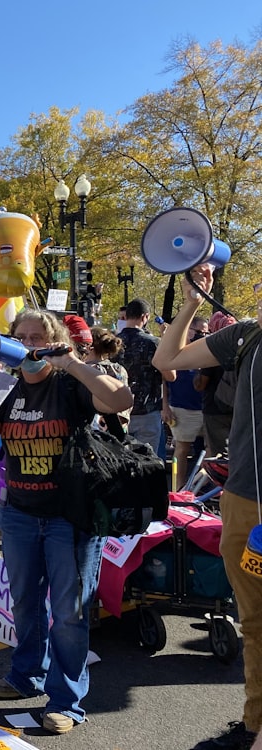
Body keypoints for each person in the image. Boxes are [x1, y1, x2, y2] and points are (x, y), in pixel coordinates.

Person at [0, 309, 132, 735]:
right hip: (20, 514)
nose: (28, 344)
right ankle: (26, 676)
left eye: (37, 336)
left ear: (54, 340)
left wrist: (72, 363)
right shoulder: (8, 386)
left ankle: (66, 701)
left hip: (69, 517)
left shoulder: (70, 384)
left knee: (69, 613)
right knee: (24, 602)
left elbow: (119, 400)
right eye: (20, 336)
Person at [152, 265, 261, 749]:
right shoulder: (246, 337)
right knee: (254, 621)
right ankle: (255, 723)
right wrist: (194, 300)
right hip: (244, 499)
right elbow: (166, 358)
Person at [113, 299, 175, 456]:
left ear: (126, 316)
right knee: (147, 462)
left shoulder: (113, 343)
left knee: (120, 460)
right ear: (145, 317)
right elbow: (170, 375)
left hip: (117, 411)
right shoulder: (153, 343)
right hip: (147, 411)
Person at [162, 317, 209, 486]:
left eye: (206, 332)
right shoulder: (175, 350)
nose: (203, 335)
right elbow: (164, 381)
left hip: (206, 408)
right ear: (188, 330)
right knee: (181, 450)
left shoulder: (206, 350)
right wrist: (165, 406)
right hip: (182, 408)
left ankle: (197, 486)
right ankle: (177, 487)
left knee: (211, 452)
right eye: (199, 332)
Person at [198, 311, 238, 456]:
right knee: (239, 452)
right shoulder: (242, 347)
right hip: (239, 408)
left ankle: (222, 478)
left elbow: (200, 384)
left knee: (217, 455)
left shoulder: (213, 349)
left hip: (214, 410)